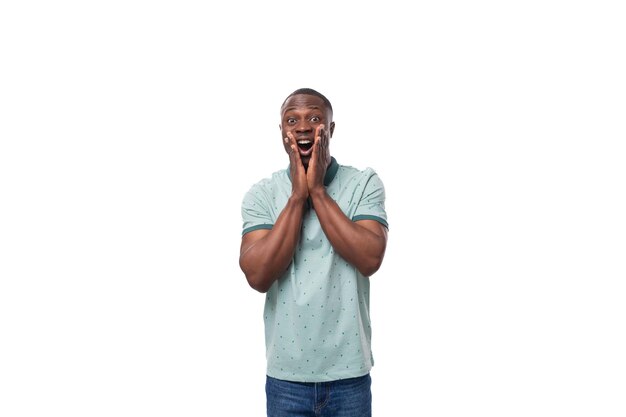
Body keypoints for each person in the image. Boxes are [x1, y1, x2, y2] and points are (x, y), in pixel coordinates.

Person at [239, 88, 388, 417]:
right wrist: (297, 197)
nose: (303, 127)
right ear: (281, 132)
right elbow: (258, 275)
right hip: (286, 379)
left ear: (331, 129)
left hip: (349, 375)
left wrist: (317, 191)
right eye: (292, 120)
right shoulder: (262, 194)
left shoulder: (364, 183)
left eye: (315, 119)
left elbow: (370, 258)